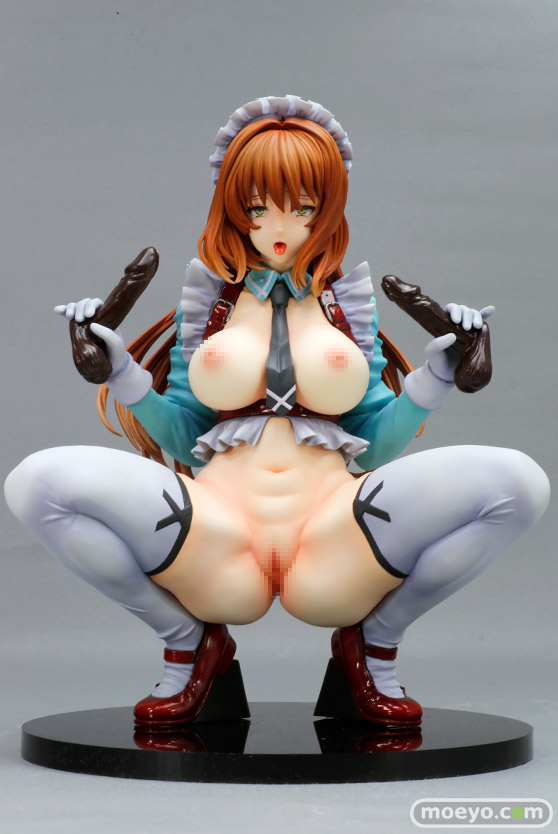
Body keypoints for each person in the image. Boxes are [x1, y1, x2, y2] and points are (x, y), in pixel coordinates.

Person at [4, 96, 550, 729]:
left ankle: (374, 644)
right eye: (258, 208)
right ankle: (188, 643)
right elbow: (184, 435)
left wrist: (438, 374)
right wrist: (119, 368)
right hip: (215, 533)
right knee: (36, 484)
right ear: (233, 208)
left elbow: (373, 446)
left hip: (336, 534)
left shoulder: (345, 303)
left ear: (329, 207)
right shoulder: (210, 301)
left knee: (519, 484)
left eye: (303, 207)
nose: (278, 227)